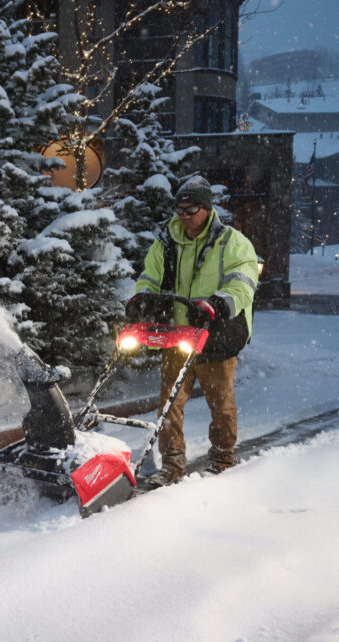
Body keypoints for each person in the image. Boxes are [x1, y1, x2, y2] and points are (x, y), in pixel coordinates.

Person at [125, 176, 259, 486]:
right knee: (169, 404)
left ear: (207, 208)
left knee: (221, 404)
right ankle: (172, 467)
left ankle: (222, 459)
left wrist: (218, 304)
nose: (184, 216)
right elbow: (149, 275)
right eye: (179, 210)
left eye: (191, 210)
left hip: (216, 333)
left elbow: (243, 281)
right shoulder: (167, 241)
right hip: (178, 335)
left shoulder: (231, 241)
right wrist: (141, 298)